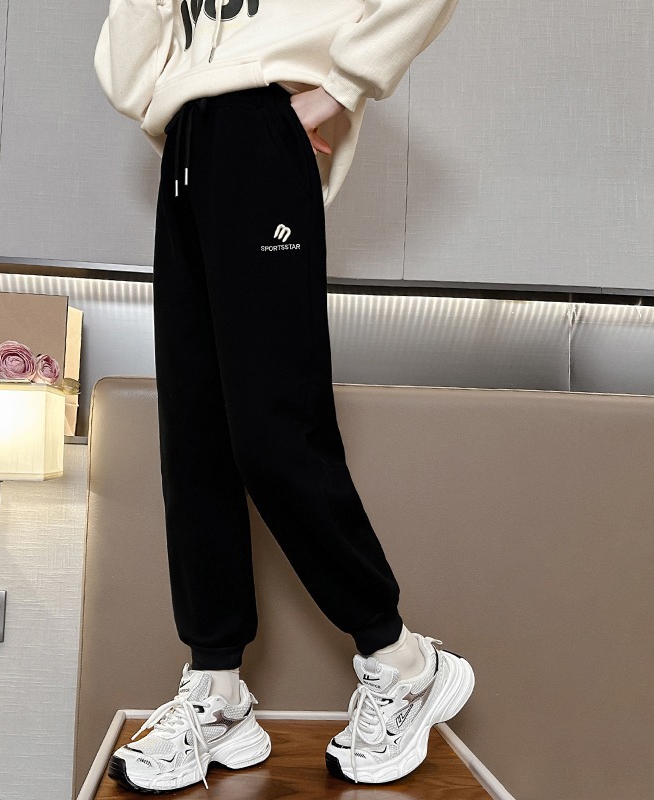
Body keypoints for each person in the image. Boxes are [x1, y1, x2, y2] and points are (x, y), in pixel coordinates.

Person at [94, 0, 473, 792]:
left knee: (273, 430)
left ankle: (403, 659)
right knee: (195, 442)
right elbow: (131, 82)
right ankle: (218, 689)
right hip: (186, 143)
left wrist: (340, 87)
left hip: (261, 127)